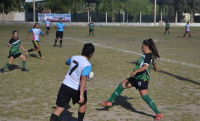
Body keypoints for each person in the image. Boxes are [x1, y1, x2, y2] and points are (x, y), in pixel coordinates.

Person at [99, 38, 162, 121]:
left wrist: (136, 71)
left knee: (145, 96)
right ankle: (109, 101)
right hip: (136, 77)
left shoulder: (148, 55)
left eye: (142, 46)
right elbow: (153, 62)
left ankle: (158, 113)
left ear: (146, 46)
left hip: (142, 79)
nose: (141, 47)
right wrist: (155, 69)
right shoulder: (148, 56)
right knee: (121, 85)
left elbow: (145, 66)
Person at [50, 43, 95, 121]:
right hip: (76, 88)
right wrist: (81, 95)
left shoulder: (74, 57)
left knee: (59, 107)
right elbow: (83, 79)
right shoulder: (87, 64)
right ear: (91, 54)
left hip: (65, 85)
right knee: (83, 103)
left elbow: (67, 62)